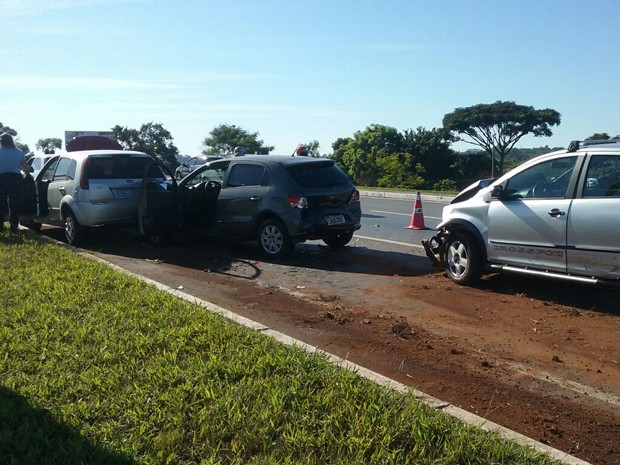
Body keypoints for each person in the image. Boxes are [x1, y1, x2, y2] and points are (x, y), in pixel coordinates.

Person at [0, 133, 31, 234]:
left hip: (2, 178)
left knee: (1, 202)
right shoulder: (19, 152)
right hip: (15, 178)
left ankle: (0, 227)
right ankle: (13, 226)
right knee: (14, 203)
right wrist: (27, 175)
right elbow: (25, 168)